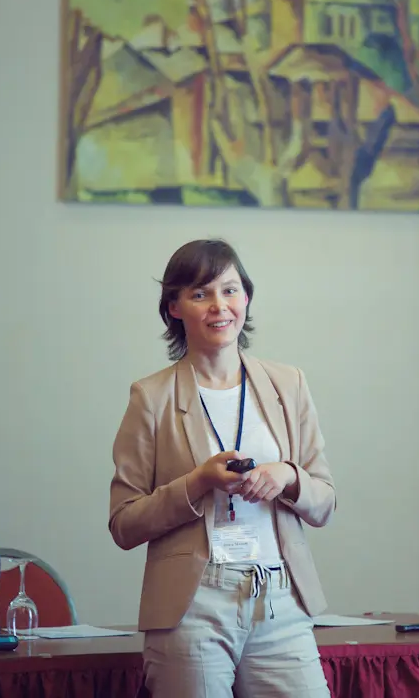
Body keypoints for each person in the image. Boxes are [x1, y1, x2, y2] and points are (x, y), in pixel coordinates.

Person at [109, 239, 336, 698]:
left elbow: (325, 501)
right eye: (200, 294)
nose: (219, 306)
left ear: (246, 298)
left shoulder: (288, 384)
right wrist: (198, 482)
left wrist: (288, 476)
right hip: (193, 606)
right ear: (174, 308)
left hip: (280, 599)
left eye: (230, 290)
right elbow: (124, 523)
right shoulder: (151, 397)